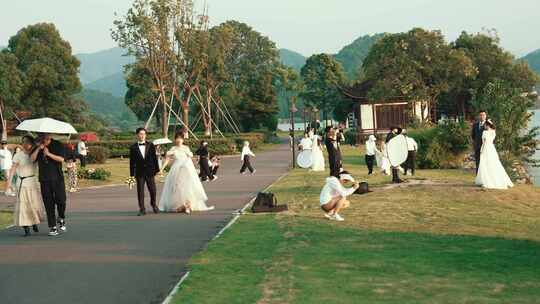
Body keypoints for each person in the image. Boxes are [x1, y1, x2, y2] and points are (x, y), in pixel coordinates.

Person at [159, 132, 214, 213]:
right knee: (177, 188)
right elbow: (167, 160)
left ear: (183, 139)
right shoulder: (173, 149)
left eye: (180, 138)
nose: (179, 140)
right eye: (177, 138)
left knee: (188, 188)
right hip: (176, 170)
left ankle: (188, 205)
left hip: (186, 170)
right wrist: (161, 169)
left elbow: (190, 158)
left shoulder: (186, 148)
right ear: (175, 139)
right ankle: (182, 205)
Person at [5, 135, 44, 236]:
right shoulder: (18, 155)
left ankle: (34, 222)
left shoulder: (36, 154)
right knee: (23, 206)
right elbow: (13, 169)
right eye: (23, 142)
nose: (25, 144)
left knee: (33, 204)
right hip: (22, 183)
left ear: (32, 144)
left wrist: (40, 147)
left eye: (27, 142)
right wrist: (9, 184)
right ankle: (26, 228)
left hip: (32, 182)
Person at [31, 133, 67, 236]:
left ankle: (61, 217)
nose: (44, 137)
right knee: (48, 203)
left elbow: (61, 159)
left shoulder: (57, 144)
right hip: (44, 179)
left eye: (46, 135)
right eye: (42, 136)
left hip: (58, 178)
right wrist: (38, 149)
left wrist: (49, 154)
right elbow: (32, 159)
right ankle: (52, 226)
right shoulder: (38, 145)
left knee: (61, 200)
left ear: (50, 135)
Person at [129, 127, 160, 216]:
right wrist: (131, 174)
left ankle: (153, 204)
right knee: (140, 191)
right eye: (140, 134)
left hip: (150, 171)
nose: (142, 135)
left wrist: (156, 170)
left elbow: (154, 158)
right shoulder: (133, 147)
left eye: (144, 134)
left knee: (153, 190)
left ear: (146, 135)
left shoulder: (151, 145)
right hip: (139, 173)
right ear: (137, 135)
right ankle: (142, 209)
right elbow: (132, 162)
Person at [475, 120, 514, 189]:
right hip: (492, 148)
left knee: (485, 163)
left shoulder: (485, 132)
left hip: (486, 148)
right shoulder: (493, 132)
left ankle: (485, 180)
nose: (484, 126)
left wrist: (481, 150)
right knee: (494, 163)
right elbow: (493, 130)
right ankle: (495, 179)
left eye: (485, 125)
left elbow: (483, 142)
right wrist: (491, 123)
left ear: (487, 125)